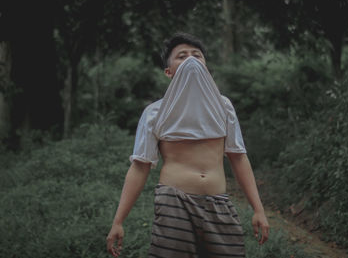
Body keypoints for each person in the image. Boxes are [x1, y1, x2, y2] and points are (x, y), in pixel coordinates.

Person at [106, 32, 269, 257]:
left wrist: (258, 209)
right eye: (182, 56)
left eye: (197, 55)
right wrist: (118, 221)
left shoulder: (224, 106)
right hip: (174, 201)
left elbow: (238, 157)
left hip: (218, 203)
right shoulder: (155, 112)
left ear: (206, 67)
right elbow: (140, 166)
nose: (191, 60)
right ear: (168, 72)